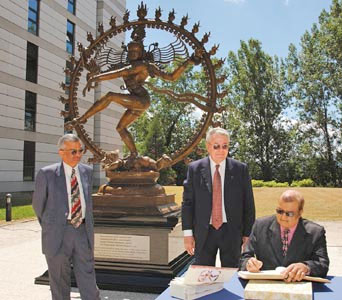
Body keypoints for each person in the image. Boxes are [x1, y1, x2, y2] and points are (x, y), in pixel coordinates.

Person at [32, 134, 100, 300]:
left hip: (83, 232)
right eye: (73, 151)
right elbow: (38, 206)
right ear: (61, 152)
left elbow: (87, 202)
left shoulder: (87, 172)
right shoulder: (46, 174)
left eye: (80, 151)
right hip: (58, 234)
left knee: (88, 277)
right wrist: (53, 225)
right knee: (59, 280)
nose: (78, 155)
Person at [181, 127, 255, 267]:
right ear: (208, 146)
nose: (221, 150)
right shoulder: (195, 169)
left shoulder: (240, 169)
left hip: (231, 232)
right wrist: (188, 234)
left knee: (232, 275)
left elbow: (248, 204)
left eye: (225, 146)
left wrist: (248, 234)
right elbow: (188, 204)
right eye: (216, 146)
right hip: (204, 232)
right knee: (203, 275)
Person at [239, 189, 329, 282]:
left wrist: (306, 267)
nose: (283, 217)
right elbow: (244, 258)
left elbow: (323, 265)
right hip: (266, 286)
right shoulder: (260, 226)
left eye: (289, 213)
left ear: (300, 212)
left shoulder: (316, 232)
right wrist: (249, 264)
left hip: (299, 287)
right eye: (279, 211)